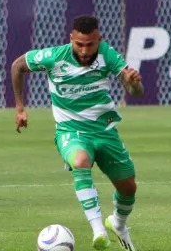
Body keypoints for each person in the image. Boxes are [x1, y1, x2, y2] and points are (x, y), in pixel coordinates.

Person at [11, 15, 142, 251]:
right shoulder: (53, 56)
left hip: (105, 131)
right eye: (79, 44)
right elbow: (17, 66)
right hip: (70, 130)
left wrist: (133, 83)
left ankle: (118, 224)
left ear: (99, 40)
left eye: (90, 44)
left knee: (128, 188)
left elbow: (136, 92)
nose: (84, 50)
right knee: (81, 161)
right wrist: (20, 108)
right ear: (71, 38)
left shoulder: (107, 55)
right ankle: (98, 230)